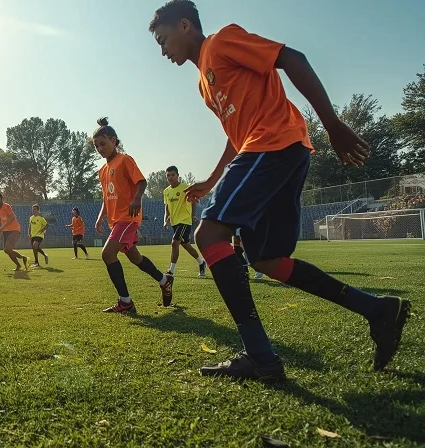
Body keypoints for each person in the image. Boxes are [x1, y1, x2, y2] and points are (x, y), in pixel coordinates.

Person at [148, 0, 410, 379]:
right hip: (278, 150)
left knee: (208, 234)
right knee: (267, 260)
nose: (162, 50)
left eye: (163, 39)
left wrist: (333, 125)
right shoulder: (204, 84)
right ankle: (377, 310)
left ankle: (261, 357)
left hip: (273, 145)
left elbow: (292, 58)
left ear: (185, 25)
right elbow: (236, 136)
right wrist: (211, 180)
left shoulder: (221, 42)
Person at [92, 118, 173, 312]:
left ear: (113, 140)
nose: (100, 148)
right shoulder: (102, 171)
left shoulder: (124, 160)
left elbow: (142, 182)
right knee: (135, 257)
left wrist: (137, 199)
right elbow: (106, 197)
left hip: (128, 218)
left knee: (107, 254)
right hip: (116, 221)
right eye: (96, 146)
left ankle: (125, 302)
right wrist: (100, 217)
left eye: (103, 143)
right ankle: (164, 280)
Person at [163, 165, 206, 277]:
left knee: (174, 243)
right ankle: (201, 262)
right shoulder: (166, 191)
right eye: (168, 176)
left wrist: (193, 215)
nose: (170, 177)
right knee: (185, 244)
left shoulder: (185, 188)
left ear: (178, 175)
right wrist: (165, 220)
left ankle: (171, 271)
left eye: (173, 175)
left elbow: (193, 201)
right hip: (174, 222)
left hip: (185, 221)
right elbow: (167, 207)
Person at [0, 192, 28, 271]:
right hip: (6, 231)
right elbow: (0, 220)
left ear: (2, 199)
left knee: (8, 248)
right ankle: (21, 261)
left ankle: (21, 261)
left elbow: (12, 217)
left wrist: (2, 227)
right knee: (6, 250)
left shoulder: (6, 206)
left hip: (14, 229)